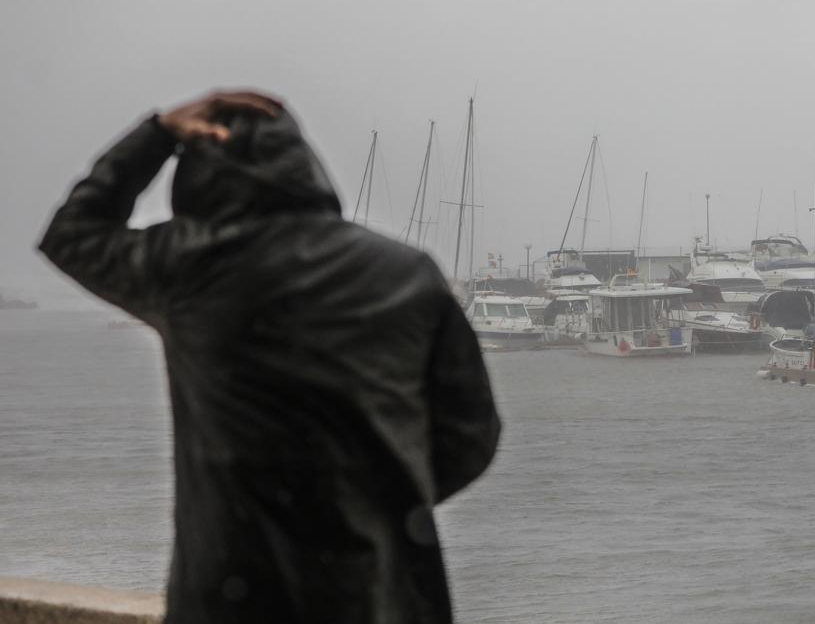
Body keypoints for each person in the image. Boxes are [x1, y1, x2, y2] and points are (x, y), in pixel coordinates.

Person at [38, 90, 501, 623]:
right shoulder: (407, 275)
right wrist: (376, 503)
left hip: (230, 591)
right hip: (376, 591)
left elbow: (72, 233)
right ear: (305, 166)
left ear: (199, 175)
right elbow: (471, 435)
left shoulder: (189, 268)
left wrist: (160, 132)